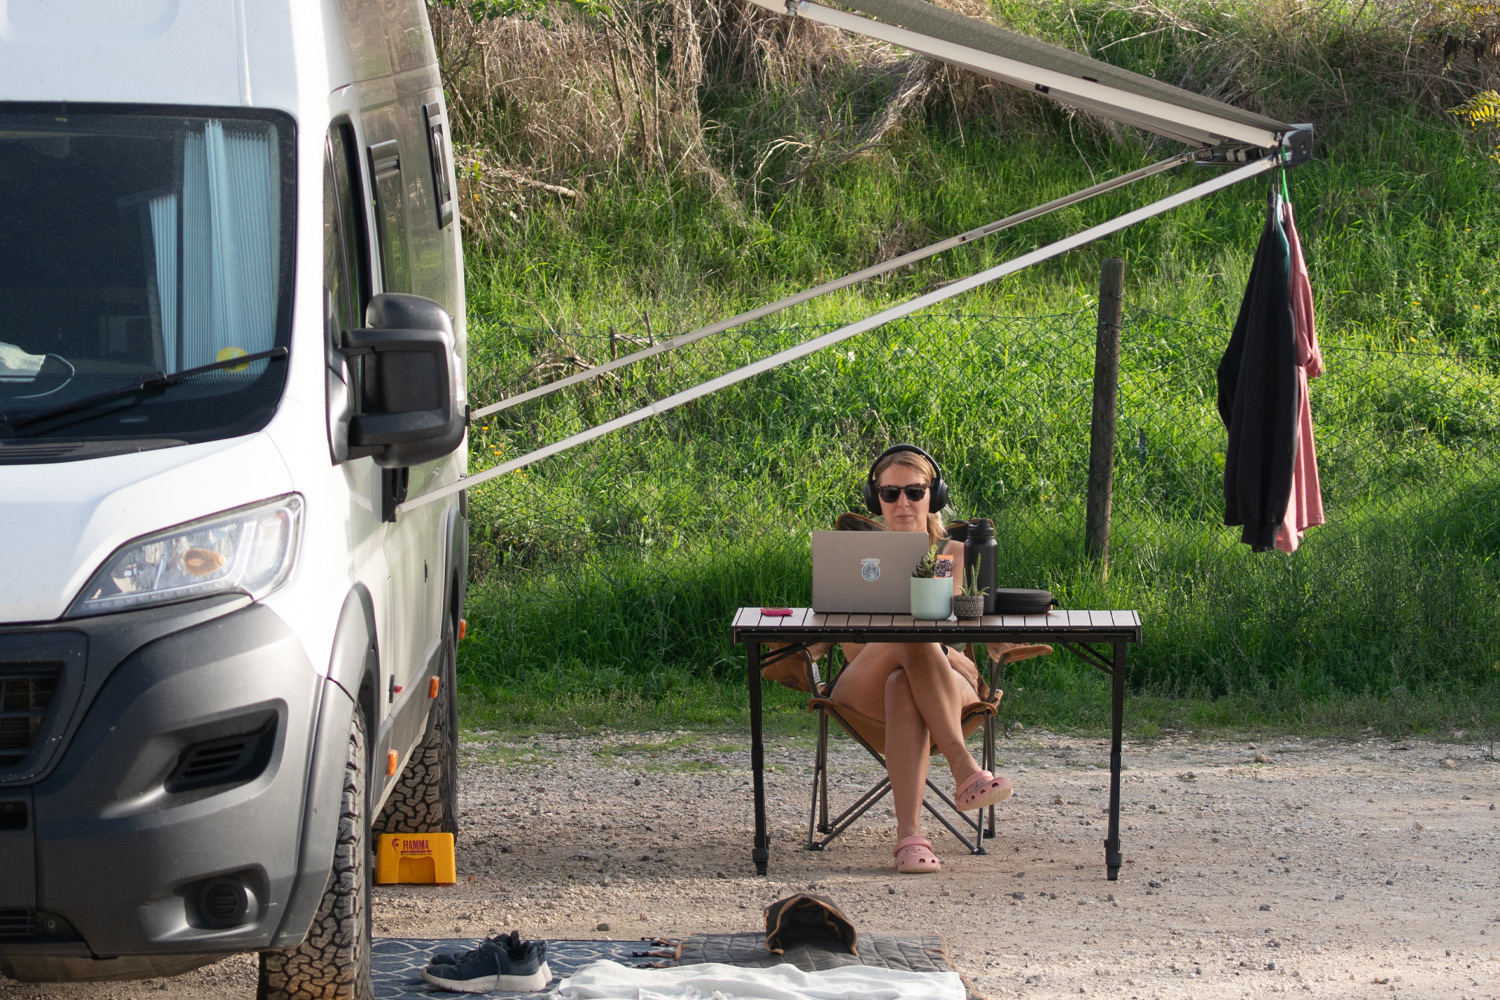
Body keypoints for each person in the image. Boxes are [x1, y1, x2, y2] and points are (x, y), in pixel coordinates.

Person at [830, 445, 1013, 874]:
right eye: (890, 493)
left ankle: (909, 839)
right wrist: (946, 651)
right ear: (875, 498)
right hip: (864, 682)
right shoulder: (856, 556)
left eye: (914, 491)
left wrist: (946, 650)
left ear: (935, 496)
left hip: (942, 685)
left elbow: (958, 620)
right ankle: (963, 765)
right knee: (907, 644)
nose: (903, 503)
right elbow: (854, 648)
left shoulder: (950, 553)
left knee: (904, 683)